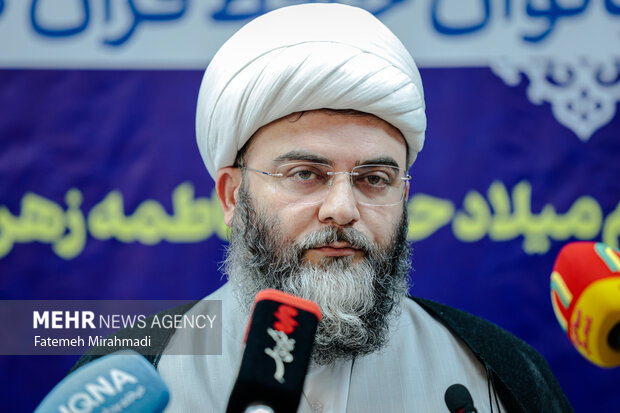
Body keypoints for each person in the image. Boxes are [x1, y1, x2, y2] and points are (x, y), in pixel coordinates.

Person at [72, 4, 573, 412]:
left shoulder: (496, 375)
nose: (342, 209)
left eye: (374, 179)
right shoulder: (129, 377)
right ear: (231, 196)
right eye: (305, 174)